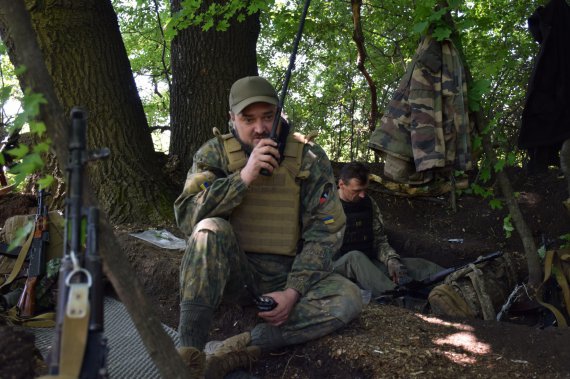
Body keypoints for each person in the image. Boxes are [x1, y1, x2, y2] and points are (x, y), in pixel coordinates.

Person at [174, 76, 362, 378]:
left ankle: (243, 346)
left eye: (267, 117)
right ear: (232, 119)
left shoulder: (308, 157)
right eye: (248, 119)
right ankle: (189, 356)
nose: (259, 128)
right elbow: (186, 217)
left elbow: (325, 233)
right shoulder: (214, 154)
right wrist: (243, 178)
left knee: (348, 298)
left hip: (288, 275)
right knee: (209, 228)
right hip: (235, 275)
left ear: (279, 114)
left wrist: (292, 292)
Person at [333, 162, 444, 298]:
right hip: (334, 269)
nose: (362, 195)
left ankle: (459, 282)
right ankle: (399, 298)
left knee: (419, 267)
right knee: (354, 257)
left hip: (367, 264)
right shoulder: (325, 207)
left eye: (365, 190)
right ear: (341, 185)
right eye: (356, 191)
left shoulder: (367, 203)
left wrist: (391, 260)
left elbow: (379, 240)